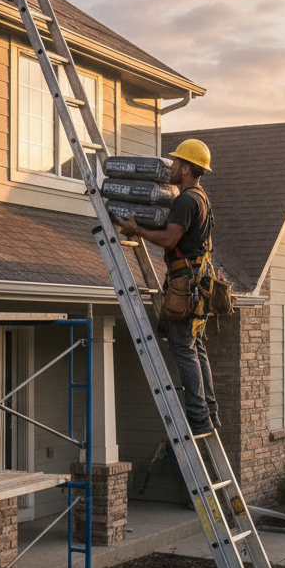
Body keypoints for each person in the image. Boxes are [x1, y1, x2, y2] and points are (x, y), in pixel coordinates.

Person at [116, 140, 221, 435]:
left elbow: (169, 239)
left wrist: (137, 229)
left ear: (186, 168)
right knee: (196, 347)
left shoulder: (187, 200)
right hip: (200, 280)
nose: (171, 167)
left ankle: (199, 417)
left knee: (183, 348)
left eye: (176, 163)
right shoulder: (202, 197)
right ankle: (209, 412)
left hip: (186, 283)